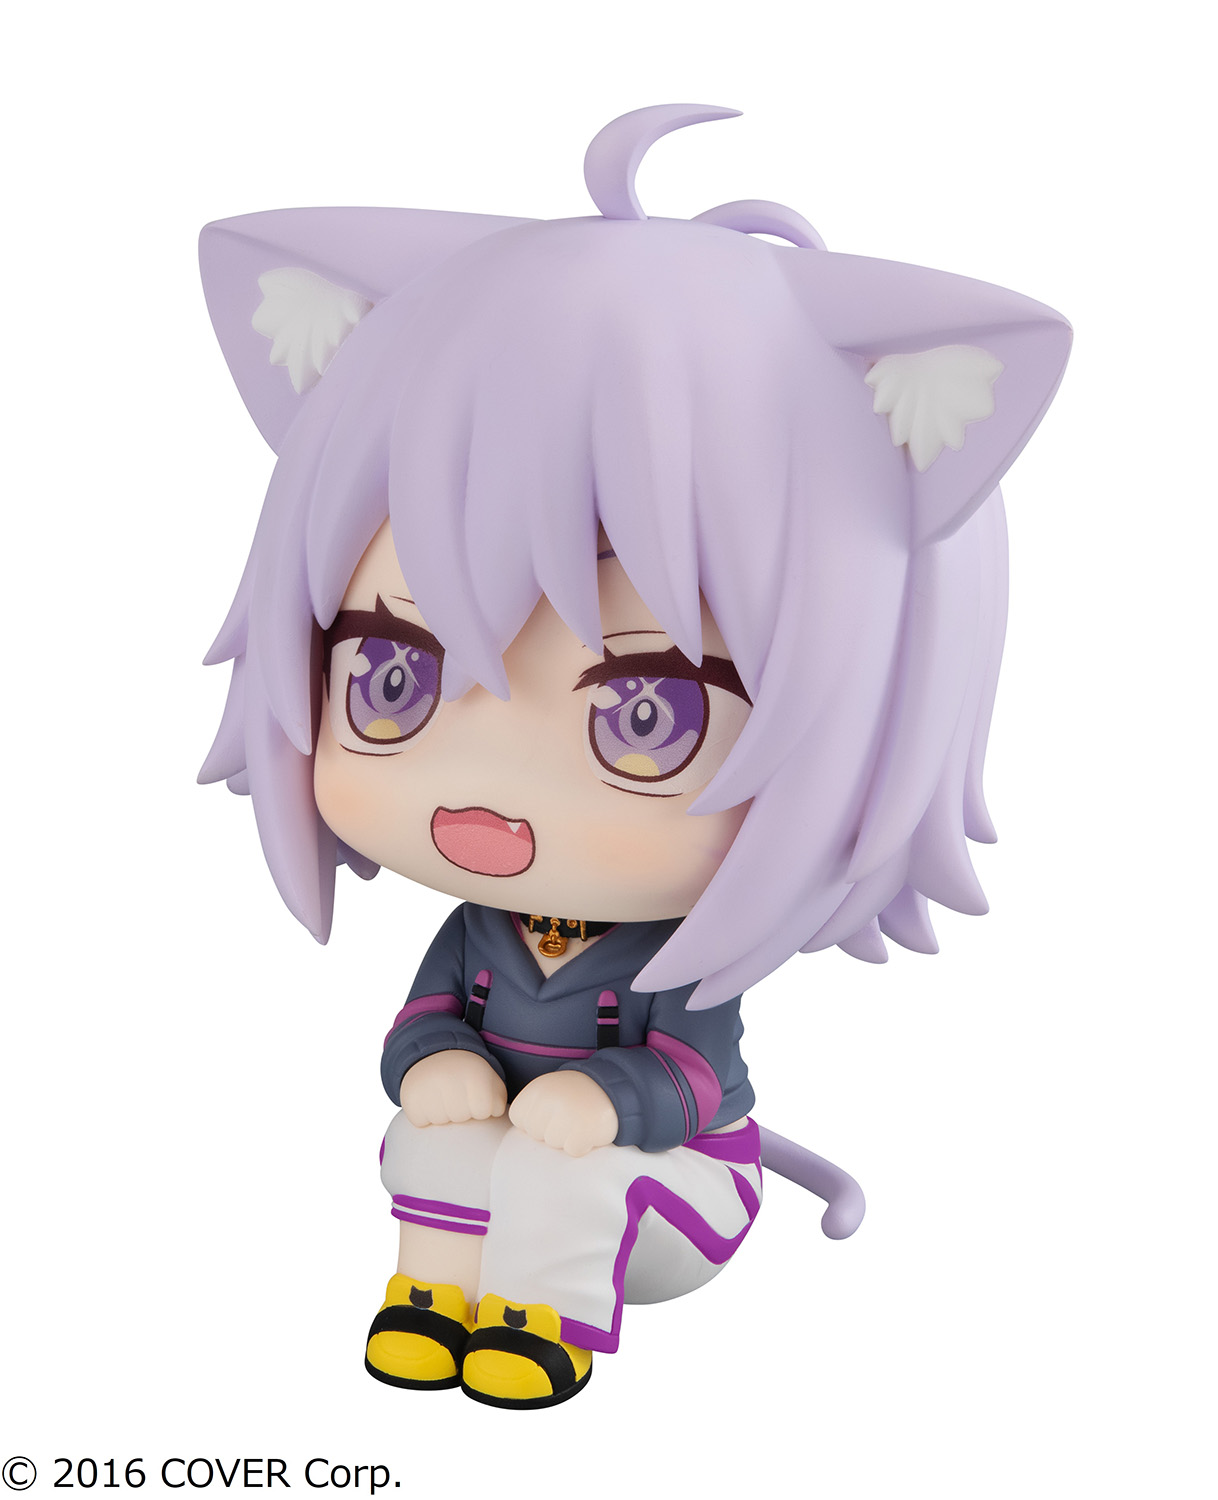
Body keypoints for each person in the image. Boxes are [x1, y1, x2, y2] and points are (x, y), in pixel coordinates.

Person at [198, 103, 1070, 1408]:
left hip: (670, 1189)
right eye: (393, 676)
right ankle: (427, 1302)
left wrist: (610, 1100)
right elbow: (429, 1018)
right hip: (503, 1166)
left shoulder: (679, 961)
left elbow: (695, 1071)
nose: (488, 788)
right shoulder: (484, 931)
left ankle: (540, 1328)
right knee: (425, 1141)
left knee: (567, 1172)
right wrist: (431, 1065)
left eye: (646, 712)